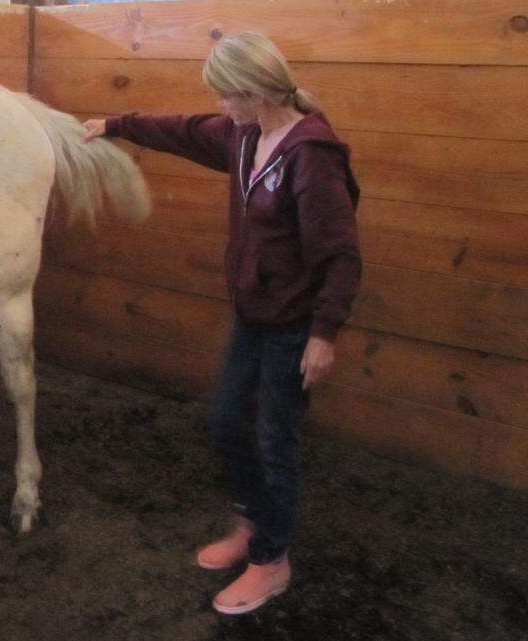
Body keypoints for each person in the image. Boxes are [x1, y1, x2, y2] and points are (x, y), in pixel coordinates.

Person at [82, 32, 361, 614]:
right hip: (254, 314)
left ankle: (272, 560)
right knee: (227, 419)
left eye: (226, 96)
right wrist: (114, 124)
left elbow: (339, 254)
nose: (220, 107)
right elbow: (181, 131)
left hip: (294, 323)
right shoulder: (243, 136)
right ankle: (254, 523)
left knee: (274, 438)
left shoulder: (311, 156)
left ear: (256, 92)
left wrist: (323, 334)